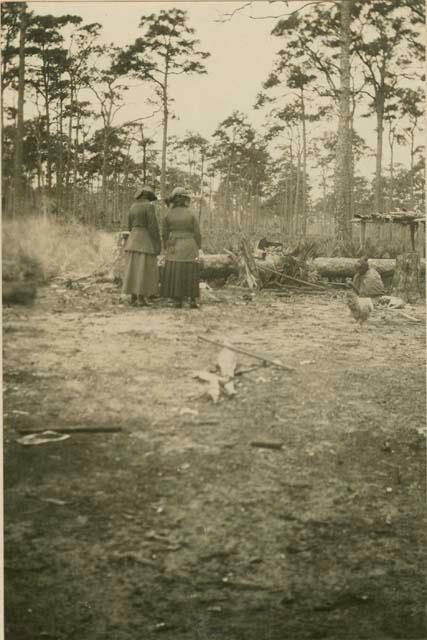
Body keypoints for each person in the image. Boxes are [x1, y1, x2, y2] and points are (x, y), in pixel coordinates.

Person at [161, 187, 202, 309]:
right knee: (191, 272)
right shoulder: (191, 213)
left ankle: (177, 301)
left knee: (176, 272)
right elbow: (197, 233)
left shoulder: (168, 214)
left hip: (174, 246)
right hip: (190, 246)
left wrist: (165, 247)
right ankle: (193, 301)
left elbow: (164, 234)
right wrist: (199, 247)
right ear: (185, 199)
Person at [122, 185, 161, 306]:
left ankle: (133, 297)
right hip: (145, 240)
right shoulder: (149, 206)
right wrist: (157, 242)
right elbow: (153, 226)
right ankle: (141, 298)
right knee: (143, 269)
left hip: (132, 239)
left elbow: (129, 225)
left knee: (132, 269)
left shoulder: (132, 206)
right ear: (148, 196)